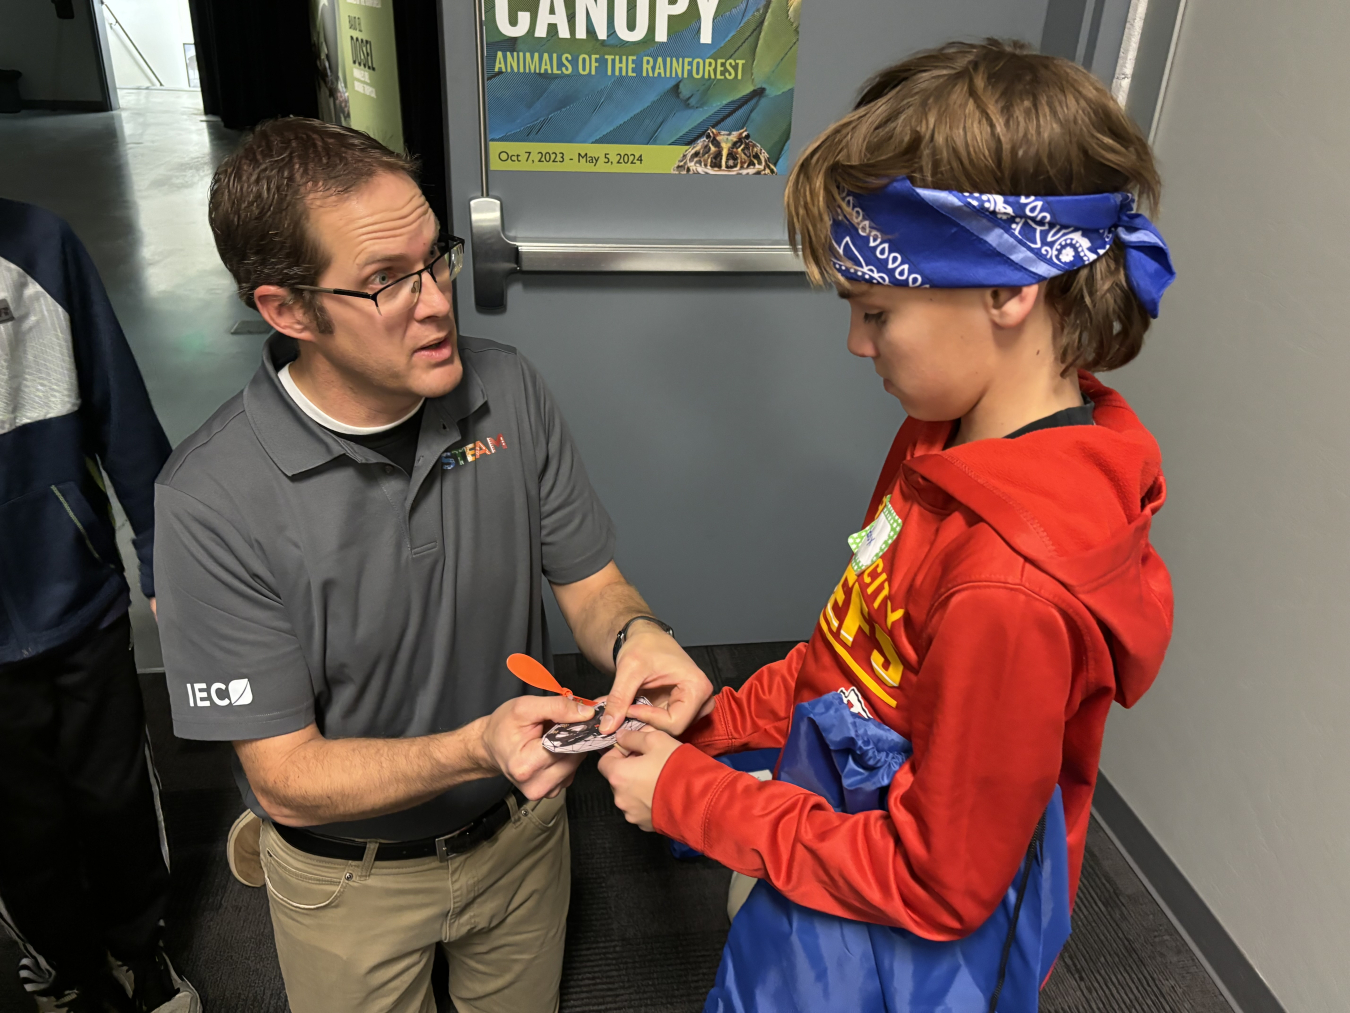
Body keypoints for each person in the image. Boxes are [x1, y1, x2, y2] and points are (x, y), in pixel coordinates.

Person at [598, 40, 1176, 1011]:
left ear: (1008, 289)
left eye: (877, 311)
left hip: (905, 954)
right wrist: (711, 723)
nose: (857, 341)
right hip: (833, 846)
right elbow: (851, 650)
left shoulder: (1009, 592)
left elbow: (938, 882)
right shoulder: (936, 441)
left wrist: (692, 799)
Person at [153, 118, 710, 1013]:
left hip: (524, 833)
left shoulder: (510, 387)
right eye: (385, 281)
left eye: (435, 255)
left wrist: (638, 635)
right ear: (288, 310)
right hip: (349, 880)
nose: (438, 299)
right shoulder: (208, 501)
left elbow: (592, 583)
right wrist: (474, 747)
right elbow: (285, 778)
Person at [0, 199, 199, 1012]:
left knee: (115, 796)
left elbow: (121, 410)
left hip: (76, 595)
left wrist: (162, 554)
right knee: (19, 829)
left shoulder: (41, 242)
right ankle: (66, 972)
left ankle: (140, 949)